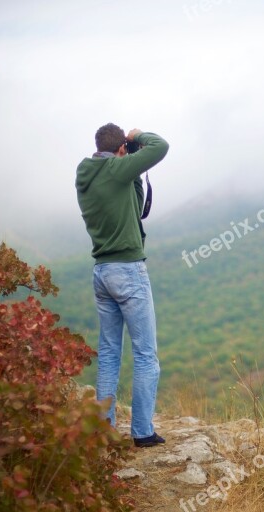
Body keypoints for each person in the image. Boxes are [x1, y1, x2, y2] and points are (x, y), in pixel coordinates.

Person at [75, 123, 169, 447]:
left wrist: (131, 164)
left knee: (110, 353)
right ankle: (142, 432)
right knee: (145, 354)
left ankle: (105, 430)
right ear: (119, 151)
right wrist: (137, 138)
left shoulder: (86, 174)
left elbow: (132, 205)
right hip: (128, 271)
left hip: (101, 271)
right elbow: (161, 146)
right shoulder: (116, 169)